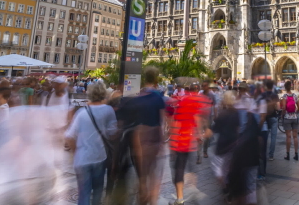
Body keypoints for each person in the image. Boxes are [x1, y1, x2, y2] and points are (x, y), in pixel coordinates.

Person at [119, 67, 166, 205]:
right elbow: (162, 121)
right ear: (156, 79)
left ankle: (142, 195)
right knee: (153, 175)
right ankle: (151, 200)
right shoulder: (158, 97)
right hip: (153, 139)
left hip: (138, 140)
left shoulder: (137, 97)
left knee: (142, 176)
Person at [65, 82, 117, 205]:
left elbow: (69, 136)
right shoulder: (108, 110)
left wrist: (76, 151)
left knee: (84, 193)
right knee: (98, 190)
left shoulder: (81, 113)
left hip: (82, 159)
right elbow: (113, 133)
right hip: (99, 157)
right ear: (104, 94)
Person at [168, 83, 212, 205]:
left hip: (181, 141)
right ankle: (192, 189)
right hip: (191, 141)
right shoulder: (200, 100)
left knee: (179, 170)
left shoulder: (182, 101)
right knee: (192, 168)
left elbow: (175, 121)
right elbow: (199, 118)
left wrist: (171, 140)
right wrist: (200, 133)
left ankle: (180, 198)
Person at [279, 80, 299, 161]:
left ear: (285, 87)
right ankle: (296, 154)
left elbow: (283, 108)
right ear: (291, 87)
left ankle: (288, 154)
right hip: (294, 117)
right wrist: (295, 113)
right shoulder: (295, 95)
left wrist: (282, 115)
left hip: (287, 117)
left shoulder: (284, 96)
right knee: (295, 136)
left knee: (288, 137)